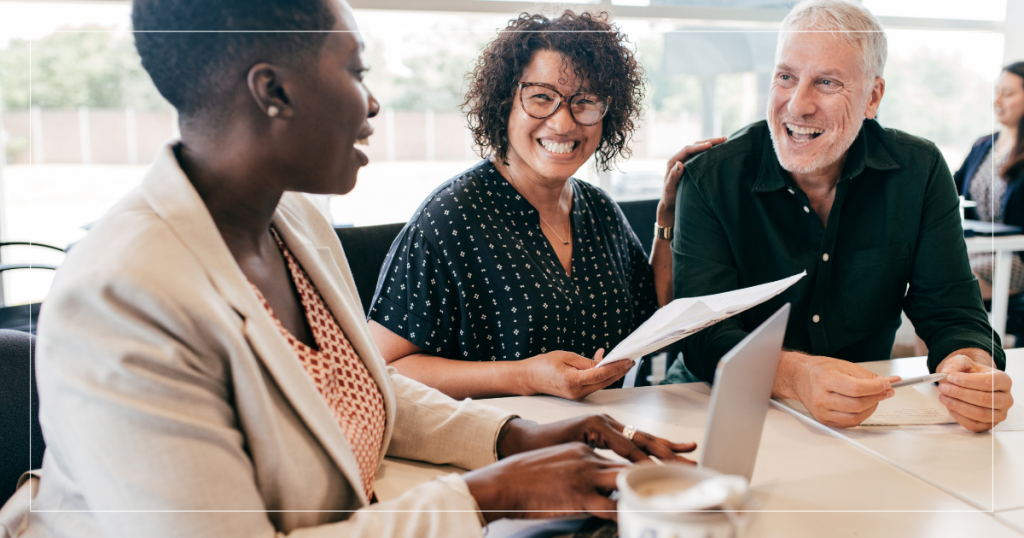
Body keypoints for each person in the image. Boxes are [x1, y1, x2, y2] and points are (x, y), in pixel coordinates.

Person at [0, 1, 699, 536]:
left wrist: (521, 438)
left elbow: (366, 389)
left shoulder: (293, 220)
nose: (371, 103)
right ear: (273, 91)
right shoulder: (122, 294)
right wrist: (488, 493)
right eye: (355, 71)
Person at [663, 0, 1013, 432]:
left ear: (873, 97)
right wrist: (797, 376)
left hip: (863, 411)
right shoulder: (712, 178)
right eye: (785, 77)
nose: (797, 105)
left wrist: (970, 368)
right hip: (717, 400)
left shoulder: (919, 170)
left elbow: (954, 313)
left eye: (826, 82)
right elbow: (704, 335)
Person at [368, 11, 723, 401]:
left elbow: (654, 312)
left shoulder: (599, 210)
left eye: (584, 102)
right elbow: (386, 368)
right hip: (496, 446)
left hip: (601, 435)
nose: (564, 123)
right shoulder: (449, 219)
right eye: (542, 97)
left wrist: (668, 216)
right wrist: (524, 376)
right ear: (505, 102)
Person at [956, 62, 1024, 300]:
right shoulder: (983, 145)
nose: (997, 102)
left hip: (1015, 257)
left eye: (1008, 94)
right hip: (977, 249)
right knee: (925, 280)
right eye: (996, 92)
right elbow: (948, 188)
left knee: (951, 286)